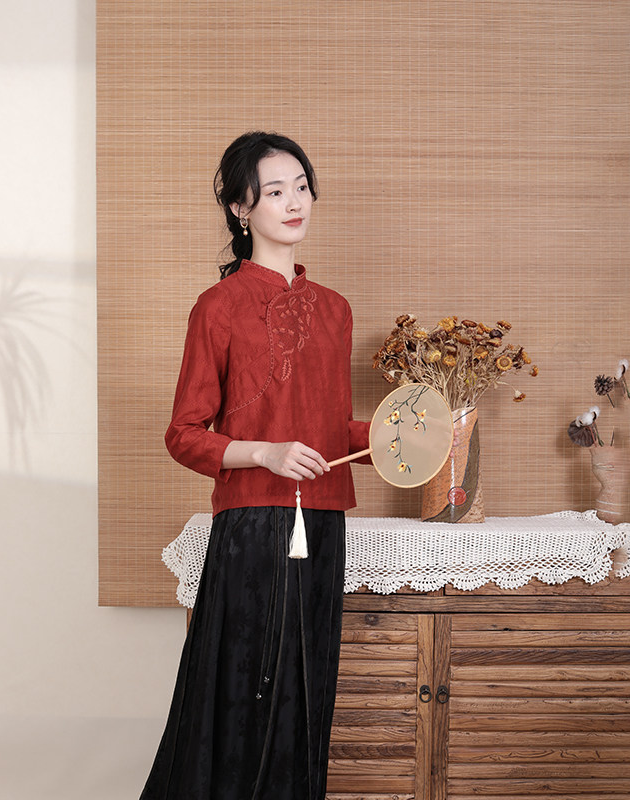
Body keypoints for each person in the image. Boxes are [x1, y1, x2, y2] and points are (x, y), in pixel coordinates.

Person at [140, 132, 370, 800]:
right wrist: (264, 452)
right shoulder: (218, 308)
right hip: (251, 528)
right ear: (242, 209)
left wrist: (410, 433)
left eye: (302, 186)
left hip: (322, 523)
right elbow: (184, 434)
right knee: (245, 694)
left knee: (308, 692)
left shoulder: (335, 310)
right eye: (275, 192)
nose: (295, 202)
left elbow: (332, 430)